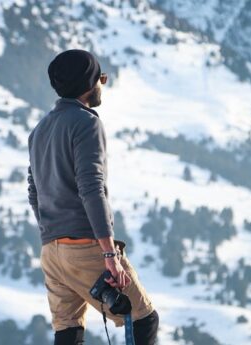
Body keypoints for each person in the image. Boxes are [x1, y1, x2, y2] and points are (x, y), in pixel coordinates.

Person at [27, 49, 159, 345]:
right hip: (85, 246)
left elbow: (34, 190)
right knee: (143, 320)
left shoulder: (39, 131)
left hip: (51, 252)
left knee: (68, 331)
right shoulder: (86, 123)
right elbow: (91, 188)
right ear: (90, 82)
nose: (103, 83)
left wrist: (52, 233)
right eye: (102, 77)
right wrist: (110, 254)